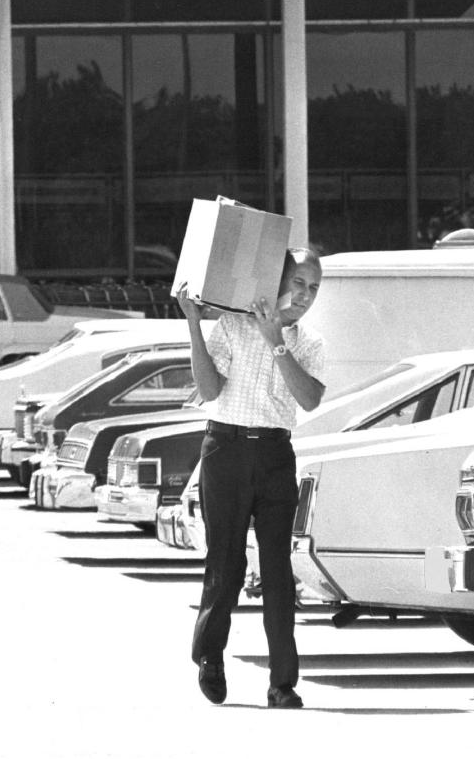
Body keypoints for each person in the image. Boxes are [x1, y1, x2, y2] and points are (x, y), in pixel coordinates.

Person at [177, 247, 325, 709]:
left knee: (278, 571)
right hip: (226, 449)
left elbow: (311, 399)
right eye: (299, 283)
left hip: (276, 454)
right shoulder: (232, 326)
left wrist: (275, 340)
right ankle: (210, 656)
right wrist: (193, 326)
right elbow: (207, 389)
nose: (305, 295)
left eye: (314, 288)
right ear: (276, 281)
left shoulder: (309, 341)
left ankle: (283, 683)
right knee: (227, 562)